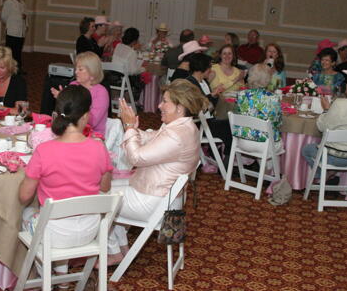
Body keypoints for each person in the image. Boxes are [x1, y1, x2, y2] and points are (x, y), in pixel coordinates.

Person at [106, 79, 209, 265]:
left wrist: (129, 128)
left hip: (153, 202)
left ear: (179, 107)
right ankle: (120, 250)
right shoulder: (184, 127)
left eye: (165, 101)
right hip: (168, 198)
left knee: (96, 196)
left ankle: (114, 252)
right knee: (108, 185)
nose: (159, 105)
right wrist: (134, 130)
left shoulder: (176, 135)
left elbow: (136, 158)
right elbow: (152, 138)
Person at [19, 85, 113, 280]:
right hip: (90, 230)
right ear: (86, 115)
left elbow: (24, 196)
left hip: (54, 233)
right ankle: (61, 279)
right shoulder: (99, 148)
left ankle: (41, 276)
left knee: (27, 213)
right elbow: (105, 187)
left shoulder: (44, 151)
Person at [301, 68, 347, 172]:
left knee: (306, 150)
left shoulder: (340, 103)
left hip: (332, 156)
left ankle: (321, 177)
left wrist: (326, 110)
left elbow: (321, 126)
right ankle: (328, 177)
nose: (346, 85)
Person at [186, 53, 232, 157]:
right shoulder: (190, 83)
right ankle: (226, 159)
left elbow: (210, 106)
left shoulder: (204, 82)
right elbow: (197, 106)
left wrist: (214, 95)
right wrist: (212, 95)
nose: (210, 70)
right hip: (199, 124)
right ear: (203, 68)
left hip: (207, 120)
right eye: (209, 67)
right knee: (230, 127)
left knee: (229, 123)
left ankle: (220, 155)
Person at [52, 51, 109, 135]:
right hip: (70, 131)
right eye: (76, 69)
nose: (76, 72)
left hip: (92, 135)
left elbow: (93, 122)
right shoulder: (73, 85)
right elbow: (64, 114)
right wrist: (62, 100)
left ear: (92, 72)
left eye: (80, 69)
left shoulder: (100, 92)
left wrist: (72, 105)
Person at [233, 64, 282, 147]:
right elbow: (278, 123)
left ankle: (248, 160)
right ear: (268, 78)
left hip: (243, 140)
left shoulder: (241, 95)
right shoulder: (273, 98)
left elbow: (238, 114)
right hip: (265, 143)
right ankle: (264, 160)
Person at [1, 0, 27, 72]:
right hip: (12, 31)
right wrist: (11, 24)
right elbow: (3, 16)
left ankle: (18, 68)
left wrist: (24, 19)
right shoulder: (9, 2)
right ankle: (8, 69)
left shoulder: (23, 3)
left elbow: (25, 15)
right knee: (10, 52)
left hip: (21, 32)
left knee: (18, 52)